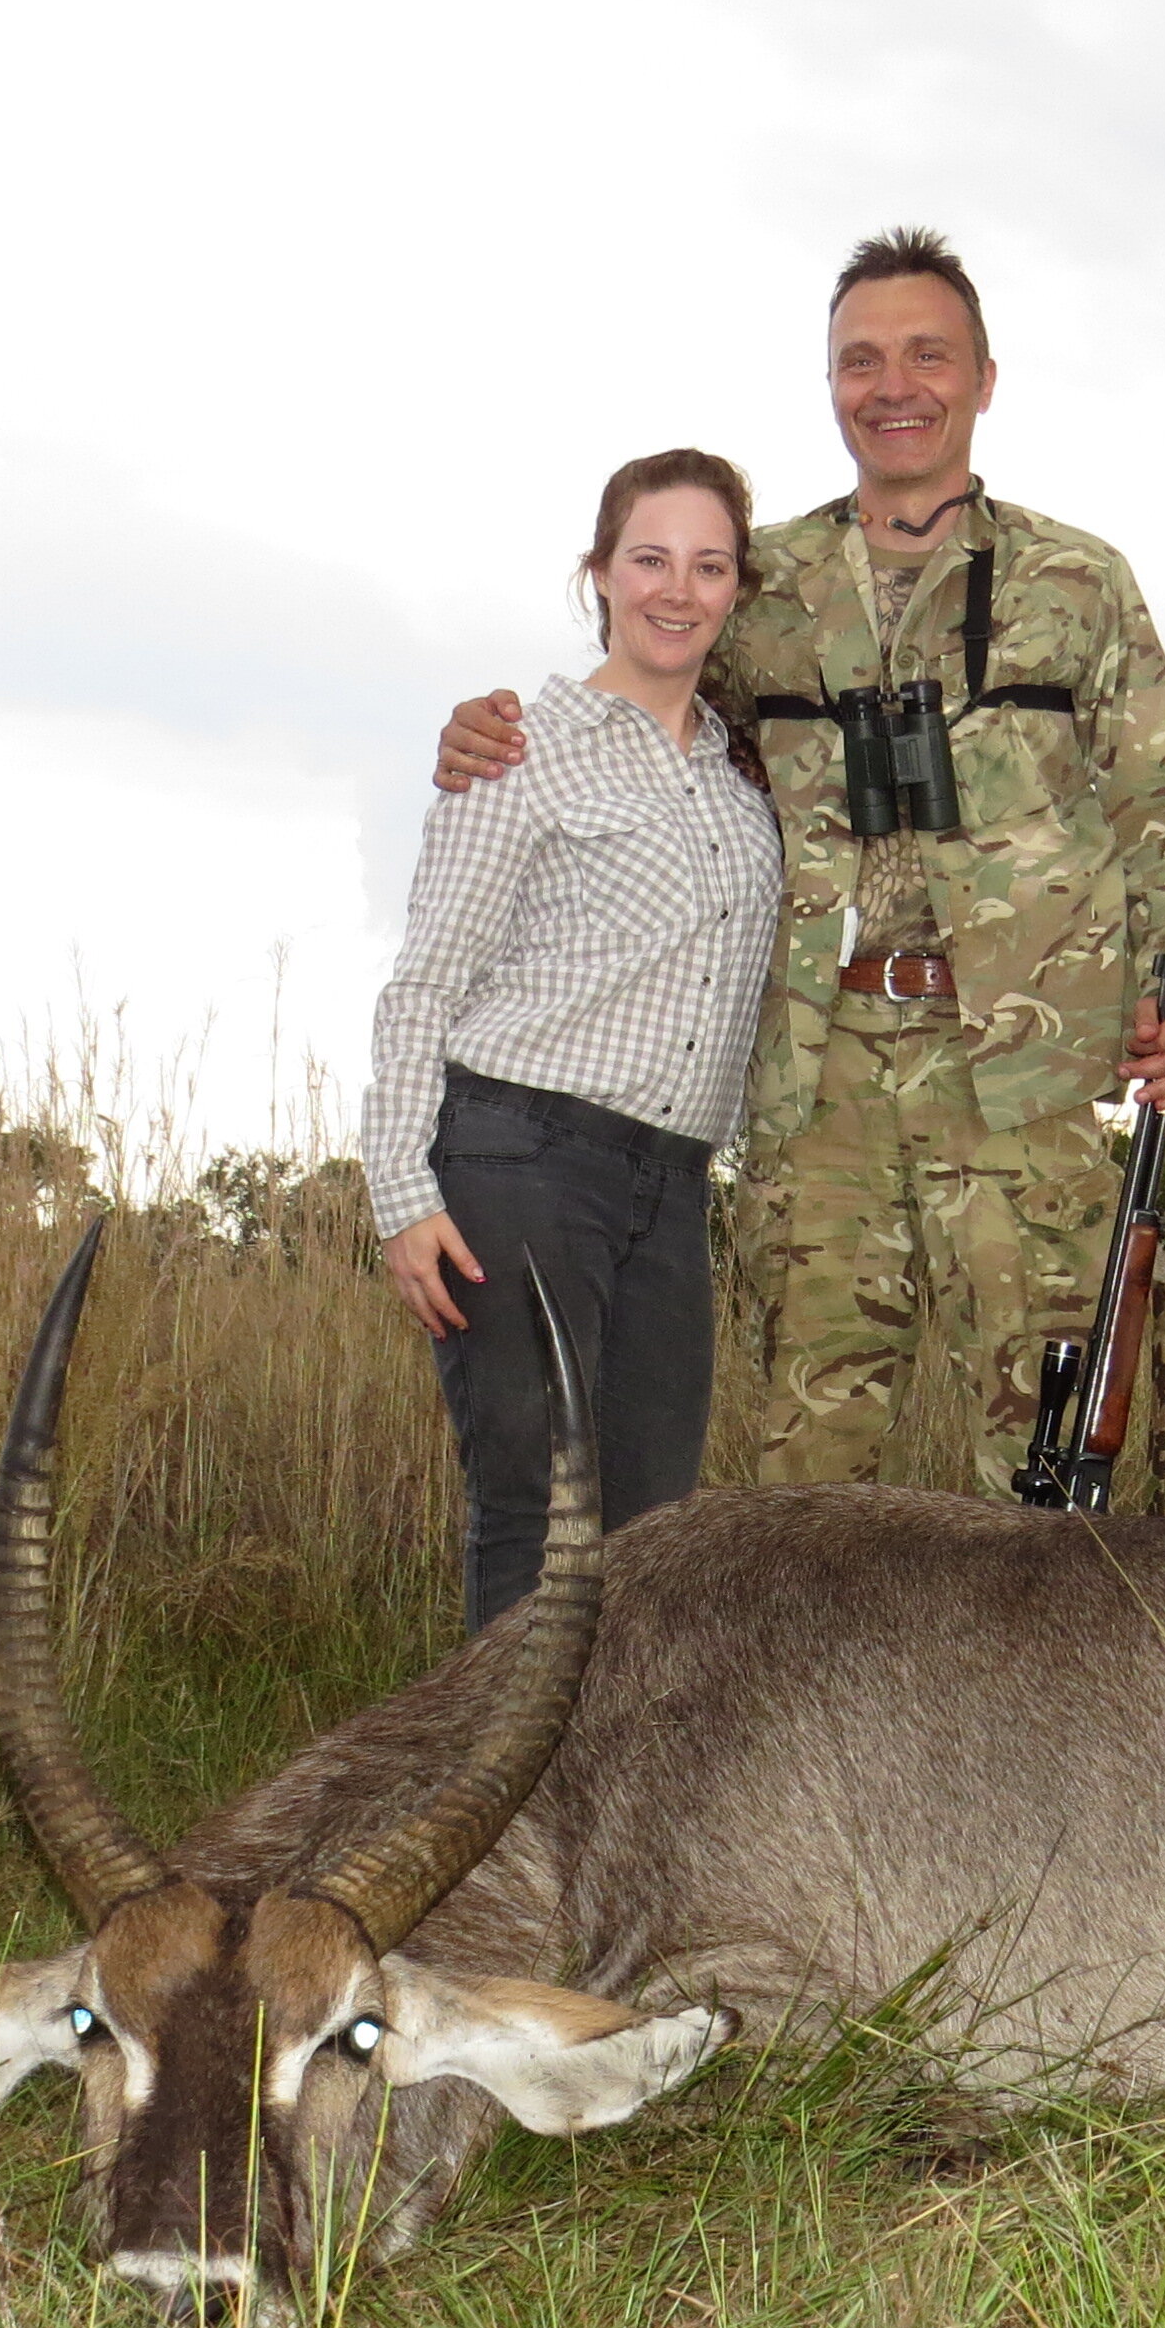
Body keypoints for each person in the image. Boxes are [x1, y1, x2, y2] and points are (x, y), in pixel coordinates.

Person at [436, 228, 1165, 1496]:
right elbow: (639, 700)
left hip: (1026, 1094)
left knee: (1049, 1487)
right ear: (830, 387)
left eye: (928, 355)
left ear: (984, 378)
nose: (894, 386)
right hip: (818, 1097)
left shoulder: (1078, 583)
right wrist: (496, 732)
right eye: (859, 361)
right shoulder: (763, 590)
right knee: (805, 1489)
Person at [364, 449, 783, 1630]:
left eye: (708, 566)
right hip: (523, 1160)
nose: (676, 589)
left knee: (653, 1536)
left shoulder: (744, 775)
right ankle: (503, 1816)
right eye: (648, 558)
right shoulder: (519, 749)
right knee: (538, 1515)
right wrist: (400, 1187)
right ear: (598, 572)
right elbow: (425, 979)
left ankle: (606, 1812)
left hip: (672, 1184)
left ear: (737, 592)